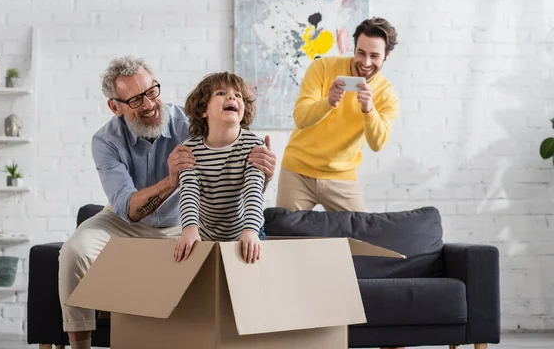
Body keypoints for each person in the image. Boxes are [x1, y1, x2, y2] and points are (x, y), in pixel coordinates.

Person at [58, 57, 276, 349]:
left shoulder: (190, 124)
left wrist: (263, 174)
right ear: (115, 107)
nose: (149, 104)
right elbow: (129, 208)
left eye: (151, 91)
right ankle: (80, 342)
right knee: (75, 250)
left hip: (182, 222)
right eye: (135, 99)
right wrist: (170, 181)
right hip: (122, 220)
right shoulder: (105, 141)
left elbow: (230, 171)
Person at [276, 17, 400, 213]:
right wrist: (329, 102)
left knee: (359, 237)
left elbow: (377, 144)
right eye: (361, 53)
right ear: (354, 47)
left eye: (374, 56)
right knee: (285, 237)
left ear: (387, 55)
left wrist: (369, 109)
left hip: (341, 176)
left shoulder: (386, 95)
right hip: (298, 171)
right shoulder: (322, 68)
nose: (366, 62)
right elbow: (301, 118)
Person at [174, 72, 265, 264]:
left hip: (247, 230)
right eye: (221, 93)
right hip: (207, 233)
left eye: (238, 95)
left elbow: (253, 191)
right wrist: (190, 229)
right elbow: (189, 192)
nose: (232, 97)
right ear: (202, 110)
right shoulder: (191, 149)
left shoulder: (253, 146)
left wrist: (250, 230)